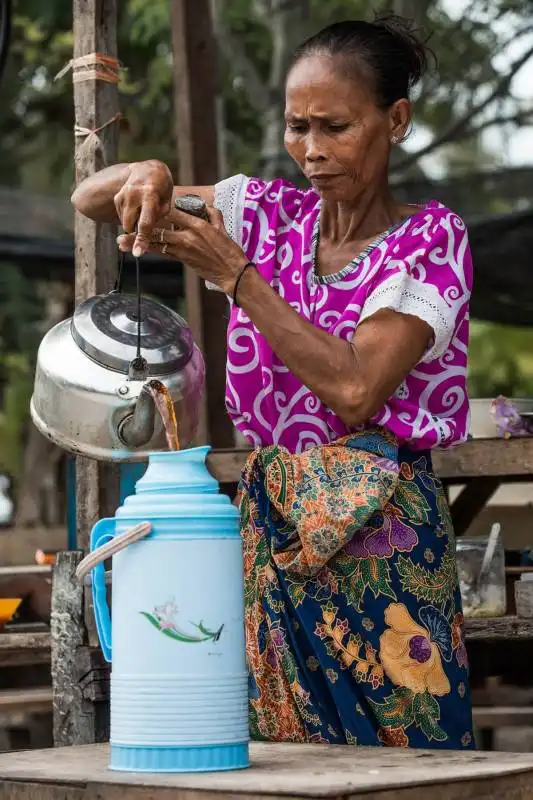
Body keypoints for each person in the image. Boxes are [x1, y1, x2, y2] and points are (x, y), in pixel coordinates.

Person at [72, 13, 474, 749]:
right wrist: (148, 175)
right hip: (275, 529)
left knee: (404, 753)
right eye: (297, 127)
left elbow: (356, 392)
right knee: (279, 747)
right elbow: (89, 200)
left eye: (335, 126)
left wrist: (239, 279)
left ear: (395, 120)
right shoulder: (265, 214)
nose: (311, 151)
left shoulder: (427, 241)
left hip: (381, 540)